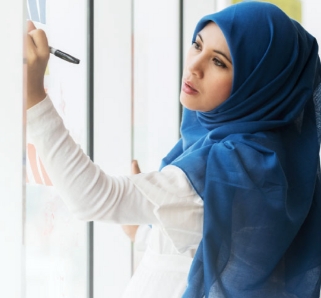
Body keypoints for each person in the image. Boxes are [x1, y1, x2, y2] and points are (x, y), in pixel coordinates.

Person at [26, 1, 321, 297]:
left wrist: (34, 97)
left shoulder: (233, 167)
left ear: (259, 84)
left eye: (219, 62)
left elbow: (90, 199)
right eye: (197, 45)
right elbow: (210, 248)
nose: (194, 65)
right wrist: (142, 232)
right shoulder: (263, 156)